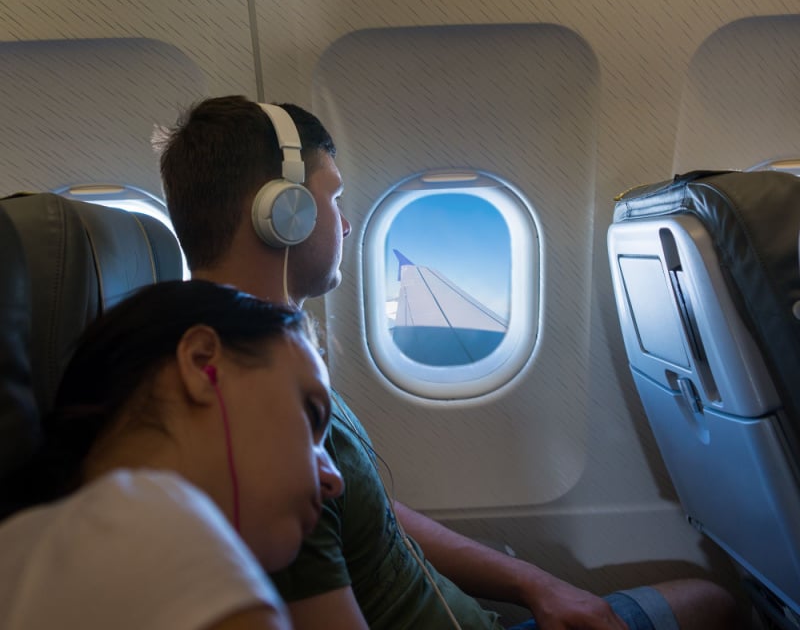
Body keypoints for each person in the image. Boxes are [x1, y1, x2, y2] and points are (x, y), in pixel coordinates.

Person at [158, 95, 741, 630]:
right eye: (333, 196)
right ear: (283, 212)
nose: (347, 220)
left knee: (709, 603)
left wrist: (536, 585)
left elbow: (376, 512)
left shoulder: (269, 357)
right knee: (712, 605)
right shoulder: (254, 418)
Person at [0, 279, 344, 630]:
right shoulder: (156, 521)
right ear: (201, 362)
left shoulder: (31, 544)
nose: (335, 480)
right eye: (312, 414)